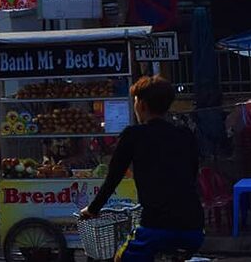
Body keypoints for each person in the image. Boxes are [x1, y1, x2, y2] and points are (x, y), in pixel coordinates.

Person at [79, 76, 203, 262]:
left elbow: (113, 178)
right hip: (194, 229)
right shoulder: (185, 134)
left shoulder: (133, 135)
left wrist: (93, 209)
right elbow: (192, 174)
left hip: (155, 228)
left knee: (122, 258)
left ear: (142, 104)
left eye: (135, 101)